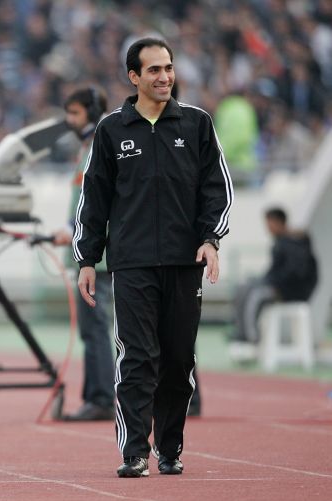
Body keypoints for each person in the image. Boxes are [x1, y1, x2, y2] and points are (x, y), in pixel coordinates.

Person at [73, 38, 233, 478]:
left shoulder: (197, 123)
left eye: (169, 68)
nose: (165, 77)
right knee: (138, 358)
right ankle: (134, 453)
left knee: (178, 361)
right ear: (134, 77)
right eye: (155, 70)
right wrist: (87, 260)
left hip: (185, 263)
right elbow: (93, 200)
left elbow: (217, 189)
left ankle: (170, 447)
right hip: (132, 264)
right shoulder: (111, 130)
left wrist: (210, 239)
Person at [52, 86, 115, 421]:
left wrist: (73, 230)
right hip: (92, 253)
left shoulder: (100, 146)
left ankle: (102, 398)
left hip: (97, 258)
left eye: (75, 113)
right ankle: (97, 396)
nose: (70, 120)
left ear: (91, 112)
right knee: (92, 328)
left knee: (95, 327)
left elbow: (95, 200)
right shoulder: (89, 147)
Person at [229, 207, 318, 360]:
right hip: (281, 286)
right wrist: (264, 280)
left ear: (278, 222)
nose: (268, 227)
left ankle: (251, 337)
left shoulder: (293, 243)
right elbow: (275, 272)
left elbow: (296, 274)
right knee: (244, 287)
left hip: (293, 292)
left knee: (256, 295)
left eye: (269, 223)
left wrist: (275, 287)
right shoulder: (282, 241)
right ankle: (241, 332)